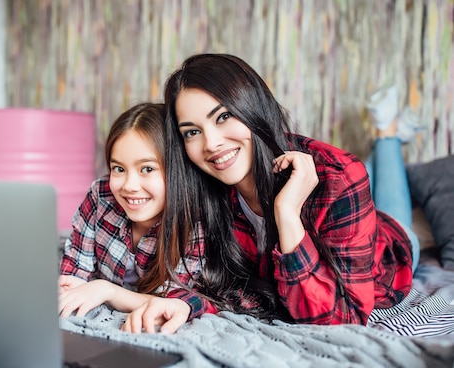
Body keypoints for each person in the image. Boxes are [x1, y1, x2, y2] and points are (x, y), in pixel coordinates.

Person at [127, 53, 416, 333]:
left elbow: (345, 318)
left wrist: (287, 214)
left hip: (387, 249)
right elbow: (226, 287)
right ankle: (388, 134)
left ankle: (387, 133)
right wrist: (186, 304)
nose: (212, 143)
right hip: (345, 217)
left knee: (397, 214)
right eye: (192, 132)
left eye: (224, 116)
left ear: (252, 107)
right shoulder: (205, 185)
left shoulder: (339, 176)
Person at [58, 102, 206, 334]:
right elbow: (77, 268)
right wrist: (70, 284)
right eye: (119, 169)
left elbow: (173, 301)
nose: (129, 186)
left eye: (147, 169)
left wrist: (107, 291)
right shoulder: (101, 194)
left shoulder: (195, 220)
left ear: (176, 170)